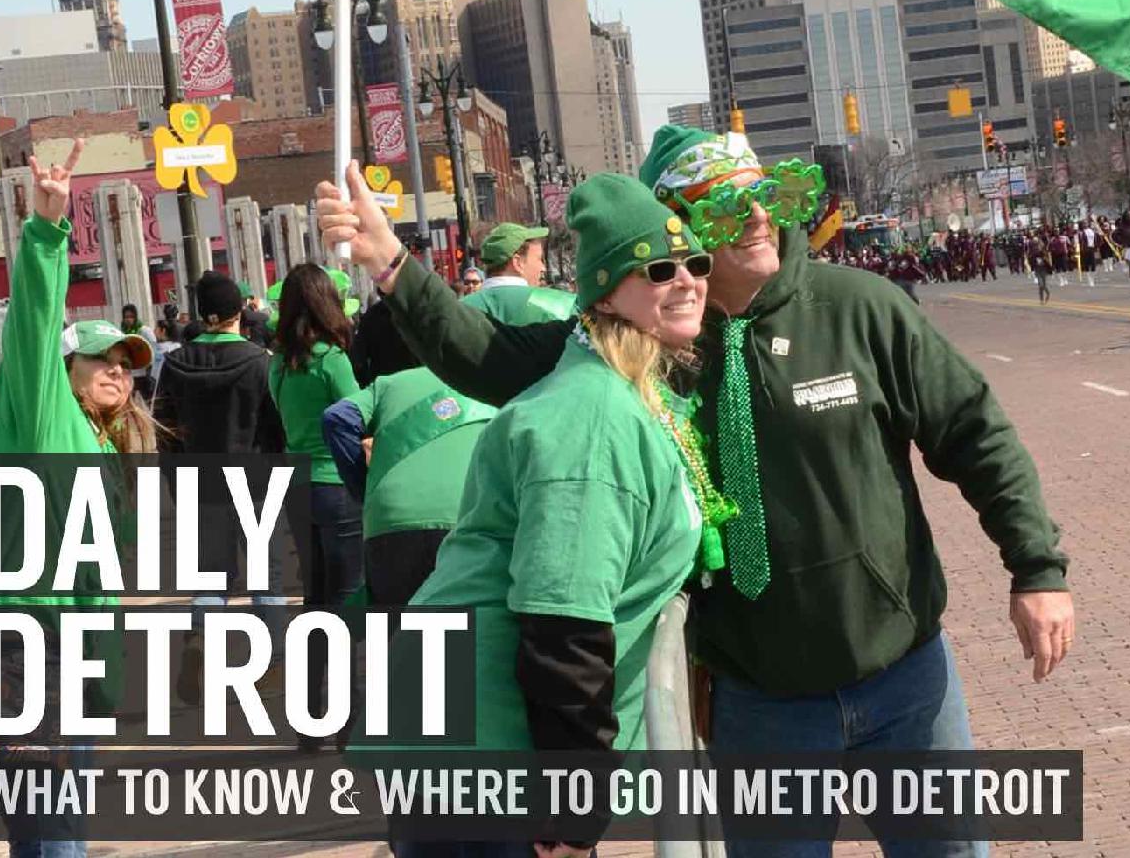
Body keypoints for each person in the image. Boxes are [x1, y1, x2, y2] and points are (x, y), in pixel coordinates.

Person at [319, 126, 1073, 858]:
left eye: (762, 194)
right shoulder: (648, 342)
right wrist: (392, 265)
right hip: (759, 702)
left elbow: (975, 431)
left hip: (904, 678)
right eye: (718, 207)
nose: (753, 217)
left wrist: (1035, 567)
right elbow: (482, 355)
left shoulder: (860, 309)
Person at [331, 172, 711, 855]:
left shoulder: (627, 390)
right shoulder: (594, 417)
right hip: (485, 753)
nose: (685, 280)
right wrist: (574, 809)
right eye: (658, 268)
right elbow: (563, 621)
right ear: (604, 292)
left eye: (695, 263)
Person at [0, 139, 158, 855]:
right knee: (52, 837)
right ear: (63, 368)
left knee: (53, 831)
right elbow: (35, 327)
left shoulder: (102, 446)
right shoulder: (34, 410)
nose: (117, 372)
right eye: (100, 361)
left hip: (67, 657)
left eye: (127, 364)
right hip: (23, 648)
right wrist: (47, 232)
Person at [323, 274, 576, 611]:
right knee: (465, 644)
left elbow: (337, 418)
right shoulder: (516, 389)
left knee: (402, 647)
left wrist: (364, 488)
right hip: (467, 519)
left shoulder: (390, 383)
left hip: (388, 521)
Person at [153, 270, 287, 702]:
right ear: (238, 312)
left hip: (198, 481)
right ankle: (275, 659)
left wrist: (176, 480)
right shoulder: (259, 361)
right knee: (265, 575)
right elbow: (276, 430)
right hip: (254, 480)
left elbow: (163, 428)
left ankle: (201, 639)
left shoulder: (174, 363)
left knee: (210, 575)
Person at [267, 262, 364, 744]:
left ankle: (309, 719)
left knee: (313, 603)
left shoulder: (279, 365)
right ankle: (347, 722)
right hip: (336, 484)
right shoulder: (332, 360)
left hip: (297, 487)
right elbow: (356, 418)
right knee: (344, 603)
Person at [478, 221, 549, 289]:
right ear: (518, 263)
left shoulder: (468, 300)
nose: (543, 268)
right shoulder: (540, 300)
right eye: (539, 259)